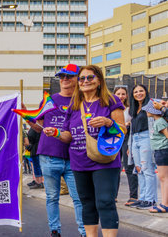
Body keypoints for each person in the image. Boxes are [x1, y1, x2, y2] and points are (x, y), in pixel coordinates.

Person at [44, 65, 126, 237]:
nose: (85, 81)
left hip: (105, 160)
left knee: (105, 202)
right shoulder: (74, 106)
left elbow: (122, 130)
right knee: (87, 203)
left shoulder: (110, 101)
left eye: (90, 77)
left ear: (99, 81)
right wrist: (56, 133)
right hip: (79, 161)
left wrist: (108, 122)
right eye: (82, 78)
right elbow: (68, 136)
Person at [28, 64, 85, 237]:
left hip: (75, 157)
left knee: (79, 198)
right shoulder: (49, 100)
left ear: (77, 79)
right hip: (49, 156)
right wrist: (26, 118)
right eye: (61, 76)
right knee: (52, 197)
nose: (64, 79)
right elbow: (39, 128)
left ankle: (84, 232)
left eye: (69, 76)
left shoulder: (83, 101)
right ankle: (55, 231)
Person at [128, 84, 158, 209]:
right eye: (136, 92)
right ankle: (143, 198)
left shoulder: (151, 105)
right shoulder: (134, 109)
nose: (138, 93)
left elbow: (159, 118)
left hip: (146, 138)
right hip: (135, 139)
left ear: (146, 92)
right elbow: (131, 129)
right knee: (139, 170)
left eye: (141, 91)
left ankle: (151, 199)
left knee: (147, 169)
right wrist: (130, 146)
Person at [113, 86, 138, 206]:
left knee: (129, 167)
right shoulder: (111, 108)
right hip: (115, 138)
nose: (121, 96)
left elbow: (136, 122)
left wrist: (128, 123)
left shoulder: (130, 109)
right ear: (114, 95)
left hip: (127, 138)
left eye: (123, 94)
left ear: (127, 96)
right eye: (118, 94)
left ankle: (133, 196)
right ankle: (113, 195)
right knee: (115, 167)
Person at [142, 100, 168, 213]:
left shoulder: (160, 122)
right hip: (159, 151)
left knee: (163, 178)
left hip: (163, 151)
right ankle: (164, 203)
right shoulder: (157, 121)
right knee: (162, 178)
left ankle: (165, 204)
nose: (146, 111)